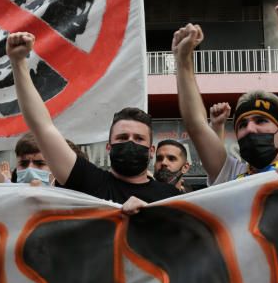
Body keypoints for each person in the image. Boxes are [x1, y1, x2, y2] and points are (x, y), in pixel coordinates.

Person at [9, 31, 177, 205]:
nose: (130, 142)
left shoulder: (171, 197)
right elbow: (42, 127)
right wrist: (18, 63)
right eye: (122, 137)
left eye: (139, 138)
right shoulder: (88, 181)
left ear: (151, 150)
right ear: (109, 147)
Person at [173, 0, 278, 186]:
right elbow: (196, 125)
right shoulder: (228, 173)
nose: (250, 130)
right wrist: (182, 60)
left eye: (261, 121)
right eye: (242, 125)